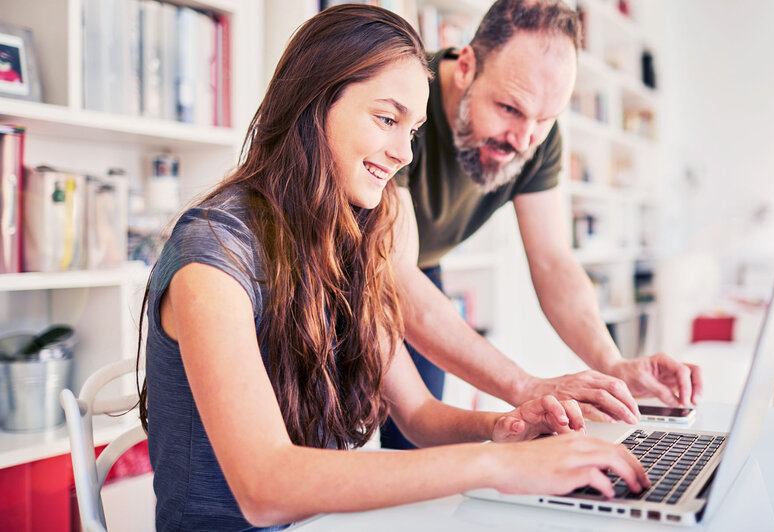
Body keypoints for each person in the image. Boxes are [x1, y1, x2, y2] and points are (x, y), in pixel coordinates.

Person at [135, 5, 648, 530]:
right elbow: (266, 487)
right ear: (315, 102)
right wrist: (500, 464)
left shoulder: (350, 245)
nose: (405, 152)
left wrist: (510, 428)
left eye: (415, 129)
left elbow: (420, 415)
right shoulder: (214, 255)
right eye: (387, 119)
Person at [383, 0, 703, 449]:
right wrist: (525, 387)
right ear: (467, 65)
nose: (523, 140)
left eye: (545, 119)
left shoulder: (536, 136)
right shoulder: (408, 100)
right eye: (509, 109)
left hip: (423, 270)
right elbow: (393, 277)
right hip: (346, 268)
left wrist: (611, 363)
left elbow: (553, 261)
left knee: (414, 447)